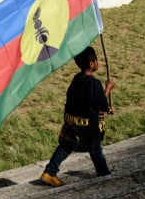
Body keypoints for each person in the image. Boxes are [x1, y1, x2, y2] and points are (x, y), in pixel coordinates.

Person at [40, 46, 116, 187]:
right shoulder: (94, 83)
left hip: (72, 123)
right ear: (92, 63)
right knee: (95, 148)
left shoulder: (76, 79)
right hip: (87, 127)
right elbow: (100, 103)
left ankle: (49, 172)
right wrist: (108, 89)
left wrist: (105, 106)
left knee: (66, 145)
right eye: (96, 60)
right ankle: (104, 174)